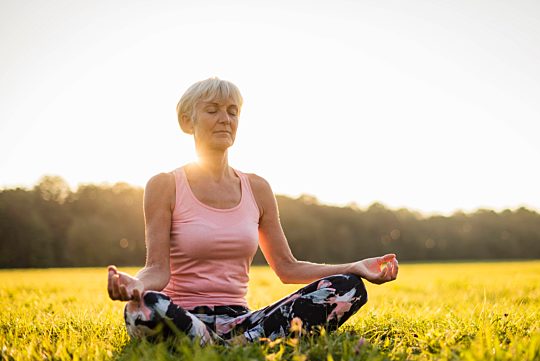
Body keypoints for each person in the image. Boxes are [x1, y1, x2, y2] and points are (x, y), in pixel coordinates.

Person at [107, 77, 399, 345]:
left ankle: (229, 345)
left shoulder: (257, 188)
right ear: (187, 120)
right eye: (213, 110)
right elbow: (157, 269)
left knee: (349, 288)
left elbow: (287, 267)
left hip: (243, 322)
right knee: (143, 307)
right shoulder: (165, 185)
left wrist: (354, 267)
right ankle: (242, 347)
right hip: (183, 317)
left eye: (232, 111)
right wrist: (137, 285)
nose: (225, 119)